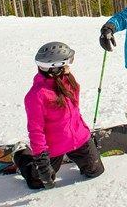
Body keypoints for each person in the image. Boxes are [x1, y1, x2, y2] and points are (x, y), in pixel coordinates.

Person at [13, 42, 104, 189]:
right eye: (68, 63)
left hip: (78, 139)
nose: (70, 66)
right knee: (37, 183)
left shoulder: (68, 81)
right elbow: (36, 130)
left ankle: (70, 154)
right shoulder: (36, 96)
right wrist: (42, 164)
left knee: (96, 171)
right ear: (55, 69)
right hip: (53, 147)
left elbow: (74, 112)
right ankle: (21, 154)